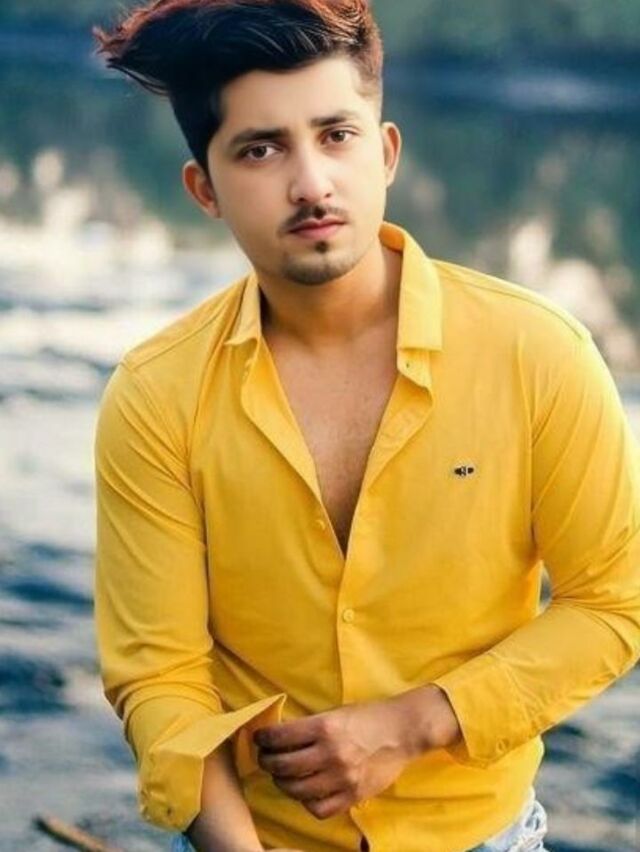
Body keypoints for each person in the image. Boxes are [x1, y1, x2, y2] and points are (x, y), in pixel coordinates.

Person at [91, 2, 640, 851]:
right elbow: (160, 677)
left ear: (384, 152)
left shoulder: (537, 354)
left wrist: (418, 722)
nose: (311, 183)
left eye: (336, 135)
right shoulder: (157, 395)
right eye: (261, 149)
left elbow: (616, 600)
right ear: (205, 190)